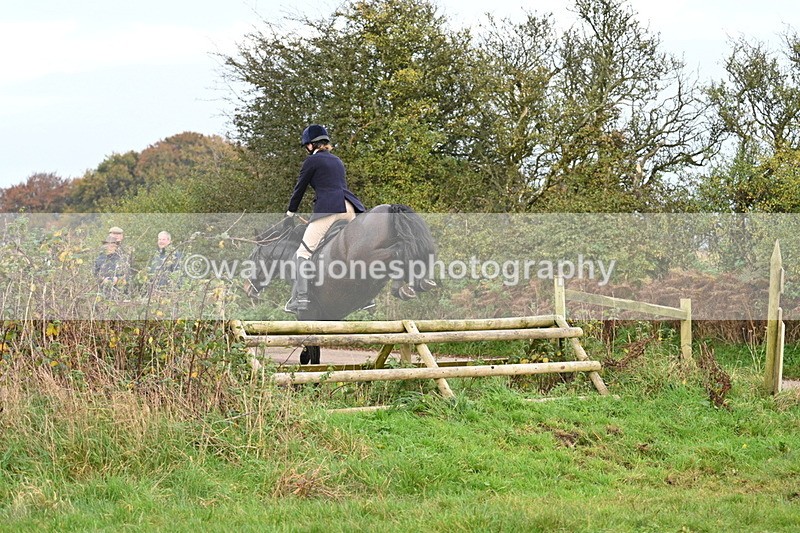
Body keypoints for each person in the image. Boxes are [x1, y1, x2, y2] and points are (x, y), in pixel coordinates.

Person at [284, 124, 366, 313]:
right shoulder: (337, 160)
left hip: (330, 208)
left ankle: (301, 299)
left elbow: (300, 189)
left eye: (306, 146)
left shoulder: (311, 162)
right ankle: (366, 299)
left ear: (311, 145)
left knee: (303, 254)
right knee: (355, 254)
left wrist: (290, 213)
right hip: (350, 207)